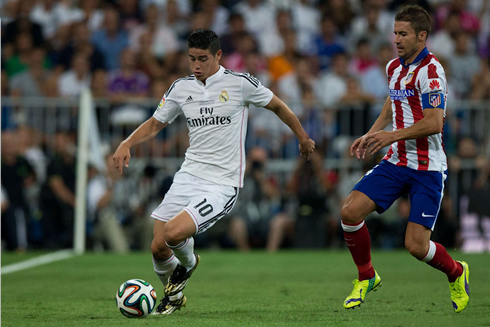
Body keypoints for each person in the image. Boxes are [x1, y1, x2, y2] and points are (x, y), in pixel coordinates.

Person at [112, 29, 315, 315]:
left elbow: (278, 107)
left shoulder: (239, 84)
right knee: (158, 246)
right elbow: (156, 124)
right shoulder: (181, 88)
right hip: (188, 176)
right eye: (191, 58)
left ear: (218, 55)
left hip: (221, 184)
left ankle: (189, 264)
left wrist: (302, 137)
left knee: (173, 233)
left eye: (202, 59)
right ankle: (174, 295)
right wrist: (127, 142)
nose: (196, 66)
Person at [340, 5, 469, 313]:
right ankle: (366, 276)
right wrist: (373, 134)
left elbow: (434, 122)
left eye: (403, 33)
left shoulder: (432, 71)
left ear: (422, 36)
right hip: (397, 161)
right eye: (395, 32)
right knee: (350, 212)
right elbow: (392, 100)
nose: (396, 39)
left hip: (427, 168)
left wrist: (392, 136)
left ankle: (456, 272)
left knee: (416, 247)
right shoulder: (394, 68)